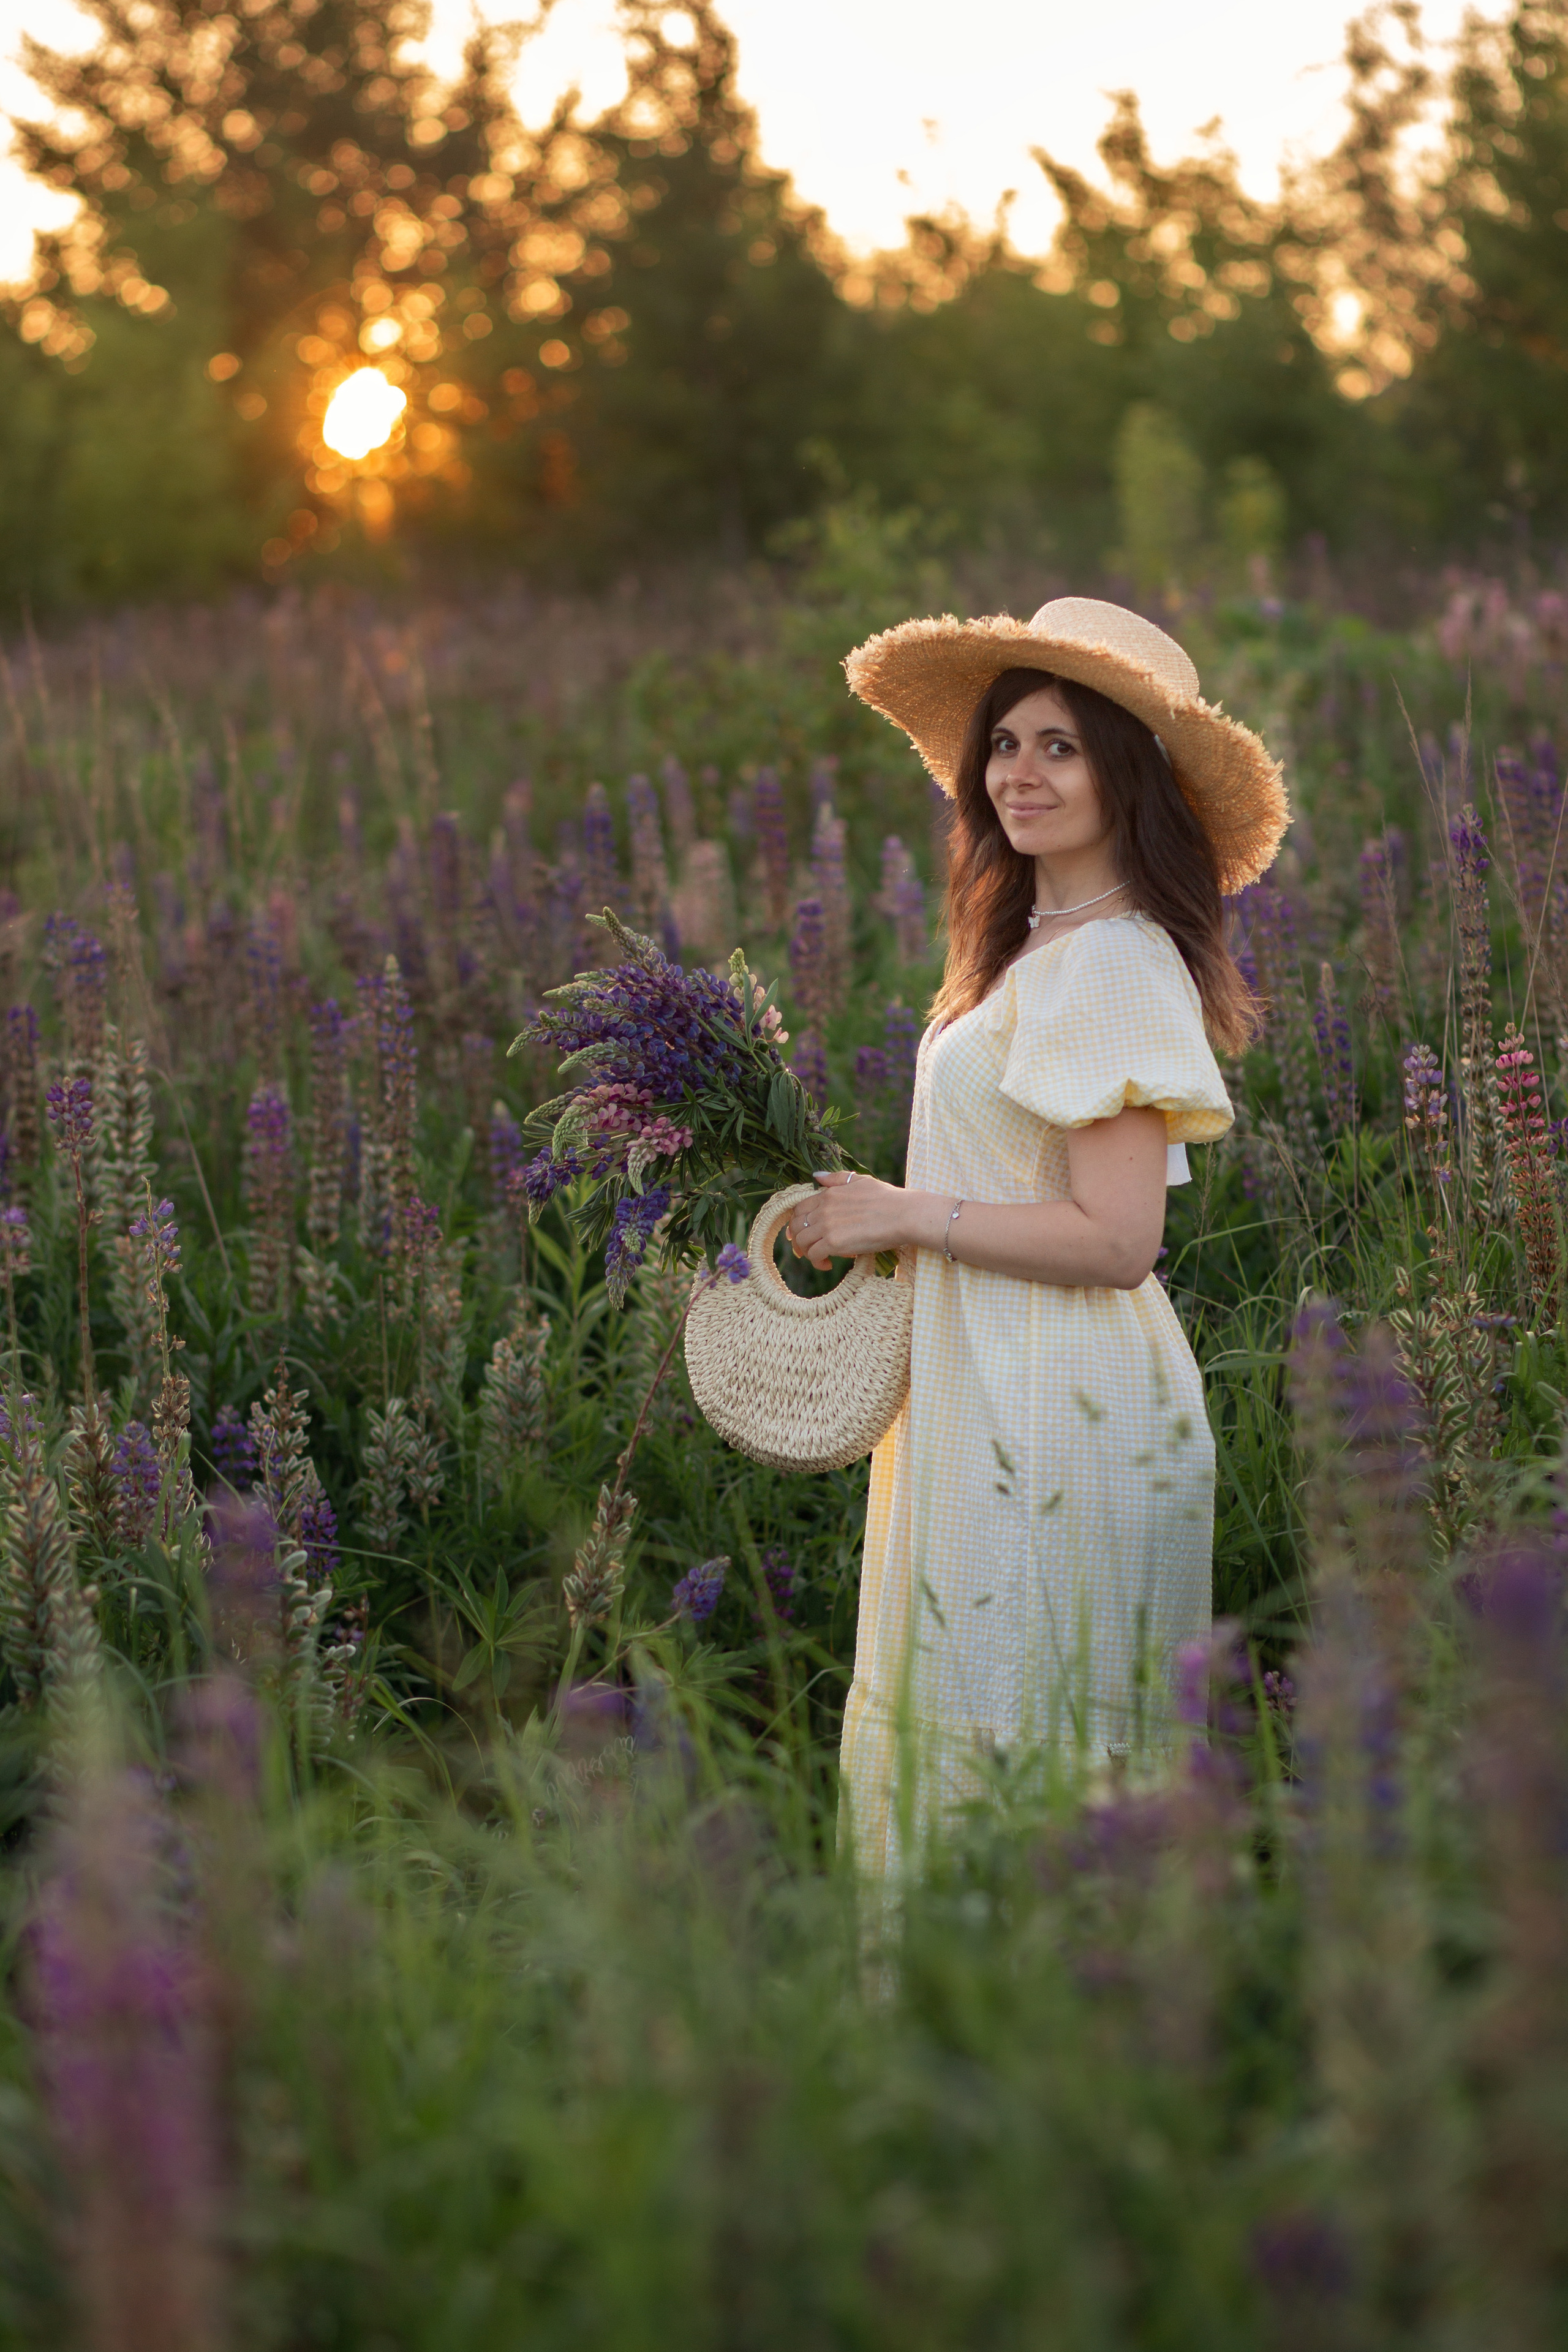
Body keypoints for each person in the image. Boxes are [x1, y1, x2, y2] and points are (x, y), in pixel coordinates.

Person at [785, 597, 1287, 1879]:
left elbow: (1118, 1240)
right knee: (968, 1718)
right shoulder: (1024, 954)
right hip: (982, 1388)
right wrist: (871, 1209)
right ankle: (951, 2045)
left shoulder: (1114, 962)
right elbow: (1002, 1176)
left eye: (1060, 744)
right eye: (1005, 742)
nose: (1019, 770)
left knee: (1024, 1741)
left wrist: (908, 1215)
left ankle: (1043, 2050)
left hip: (1058, 1403)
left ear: (1126, 774)